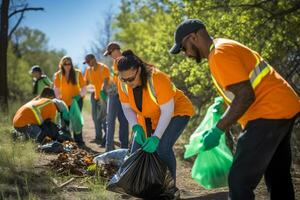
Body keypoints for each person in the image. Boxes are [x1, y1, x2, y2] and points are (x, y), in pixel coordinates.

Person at [170, 19, 300, 200]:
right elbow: (243, 89)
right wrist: (222, 104)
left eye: (184, 48)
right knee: (278, 176)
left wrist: (219, 129)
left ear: (193, 37)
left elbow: (246, 95)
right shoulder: (223, 46)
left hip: (268, 112)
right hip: (284, 106)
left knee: (239, 181)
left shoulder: (219, 54)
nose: (186, 54)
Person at [117, 49, 194, 198]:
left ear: (139, 70)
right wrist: (136, 126)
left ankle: (170, 190)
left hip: (176, 112)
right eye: (123, 79)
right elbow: (126, 107)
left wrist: (156, 137)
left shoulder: (157, 78)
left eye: (130, 79)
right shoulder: (123, 82)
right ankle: (139, 188)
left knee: (163, 147)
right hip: (148, 117)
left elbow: (167, 111)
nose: (127, 83)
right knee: (136, 152)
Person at [53, 56, 87, 146]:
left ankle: (79, 141)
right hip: (63, 102)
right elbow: (56, 88)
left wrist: (79, 96)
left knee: (77, 121)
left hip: (76, 101)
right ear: (62, 65)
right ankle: (67, 141)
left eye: (69, 64)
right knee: (64, 122)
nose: (67, 66)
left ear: (71, 64)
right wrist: (58, 99)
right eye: (65, 64)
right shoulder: (58, 74)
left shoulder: (78, 73)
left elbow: (84, 87)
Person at [103, 42, 129, 152]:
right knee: (110, 121)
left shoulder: (127, 59)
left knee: (124, 121)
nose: (110, 56)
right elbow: (115, 79)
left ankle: (124, 148)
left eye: (110, 53)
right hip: (114, 94)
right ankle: (109, 147)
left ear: (115, 50)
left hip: (124, 96)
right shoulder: (115, 62)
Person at [83, 54, 110, 147]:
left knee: (103, 118)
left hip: (103, 96)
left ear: (94, 59)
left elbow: (106, 81)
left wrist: (103, 93)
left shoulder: (104, 68)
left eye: (89, 62)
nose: (88, 64)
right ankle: (98, 137)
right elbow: (86, 82)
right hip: (94, 96)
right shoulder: (88, 70)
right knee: (95, 118)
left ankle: (106, 139)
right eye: (86, 63)